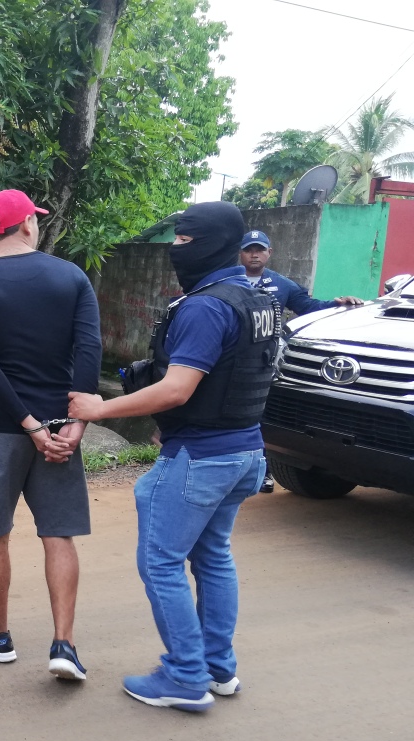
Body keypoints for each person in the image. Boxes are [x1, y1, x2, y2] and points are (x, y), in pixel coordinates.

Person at [68, 201, 276, 712]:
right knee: (213, 556)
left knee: (161, 564)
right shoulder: (257, 298)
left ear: (213, 243)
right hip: (245, 450)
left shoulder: (206, 307)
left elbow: (177, 389)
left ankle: (185, 676)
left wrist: (99, 408)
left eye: (185, 241)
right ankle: (218, 668)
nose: (176, 249)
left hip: (202, 457)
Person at [0, 189, 102, 680]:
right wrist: (76, 422)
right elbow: (89, 350)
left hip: (1, 428)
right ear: (28, 225)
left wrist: (26, 423)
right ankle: (64, 646)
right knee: (58, 533)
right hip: (60, 430)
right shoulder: (71, 277)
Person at [240, 229, 363, 492]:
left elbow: (309, 307)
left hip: (264, 362)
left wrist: (338, 304)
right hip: (230, 360)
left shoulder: (282, 284)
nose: (254, 254)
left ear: (269, 253)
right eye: (249, 250)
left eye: (259, 249)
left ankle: (262, 472)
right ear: (240, 253)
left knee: (260, 415)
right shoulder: (228, 279)